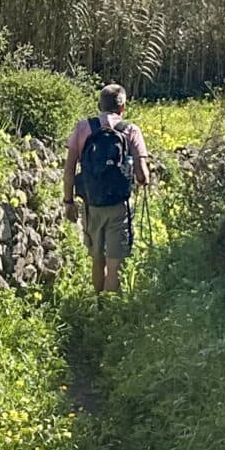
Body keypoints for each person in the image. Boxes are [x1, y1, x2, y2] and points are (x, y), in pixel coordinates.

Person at [64, 83, 152, 295]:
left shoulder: (83, 127)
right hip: (118, 206)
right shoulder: (131, 130)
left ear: (99, 105)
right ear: (122, 108)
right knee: (114, 264)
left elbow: (69, 168)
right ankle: (109, 315)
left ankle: (98, 303)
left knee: (97, 257)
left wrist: (68, 201)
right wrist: (143, 179)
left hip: (91, 204)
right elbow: (142, 174)